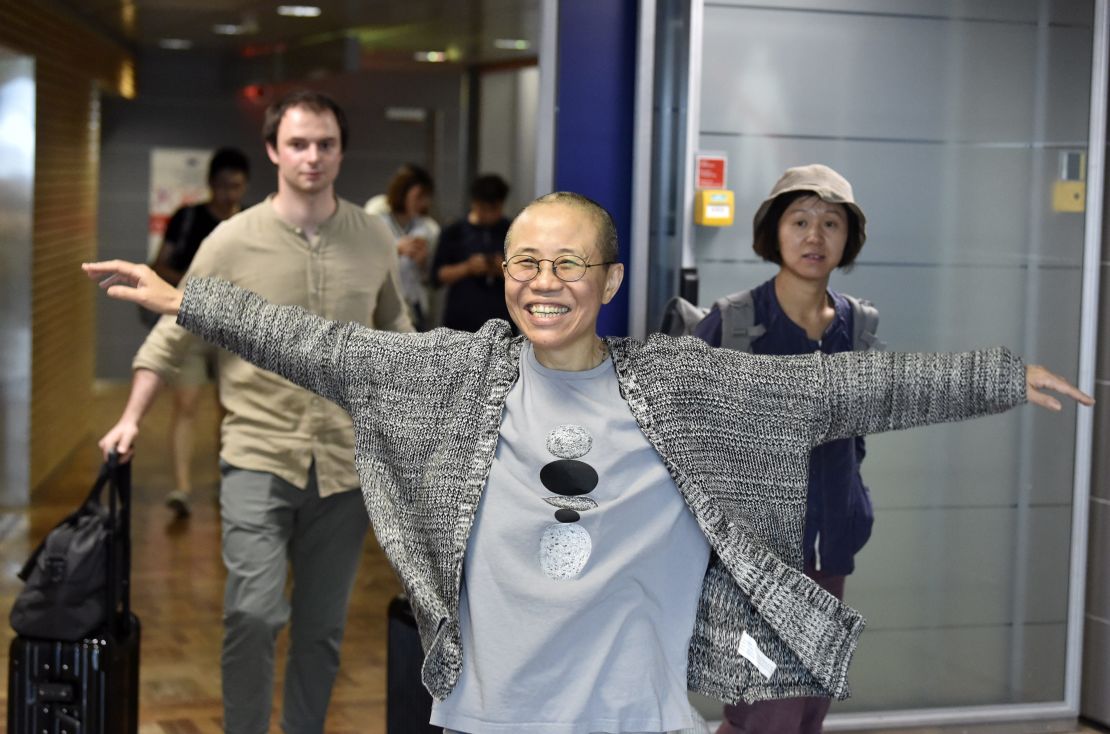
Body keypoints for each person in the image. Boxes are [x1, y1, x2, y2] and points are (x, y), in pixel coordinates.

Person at [84, 192, 1092, 734]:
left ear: (609, 279)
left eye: (570, 262)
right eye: (525, 260)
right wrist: (187, 299)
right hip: (483, 714)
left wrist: (999, 374)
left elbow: (843, 390)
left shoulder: (685, 383)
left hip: (637, 718)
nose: (543, 280)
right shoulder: (456, 375)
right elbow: (326, 347)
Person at [95, 90, 413, 734]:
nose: (313, 156)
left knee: (322, 629)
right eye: (298, 143)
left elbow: (395, 330)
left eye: (325, 143)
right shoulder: (231, 241)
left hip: (348, 468)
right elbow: (172, 332)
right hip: (257, 454)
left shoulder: (373, 236)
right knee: (254, 613)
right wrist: (130, 417)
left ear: (341, 150)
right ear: (273, 150)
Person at [694, 164, 876, 734]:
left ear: (849, 239)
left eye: (831, 223)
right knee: (773, 708)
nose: (814, 237)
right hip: (755, 561)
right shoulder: (735, 323)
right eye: (799, 221)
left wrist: (851, 506)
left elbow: (858, 439)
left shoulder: (859, 326)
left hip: (828, 552)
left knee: (801, 713)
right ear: (774, 232)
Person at [148, 146, 251, 518]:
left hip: (234, 329)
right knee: (186, 405)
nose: (229, 194)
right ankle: (181, 488)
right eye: (223, 186)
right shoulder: (187, 218)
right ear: (210, 184)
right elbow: (160, 266)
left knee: (231, 408)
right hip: (190, 324)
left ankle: (229, 480)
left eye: (236, 186)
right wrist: (198, 288)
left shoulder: (251, 225)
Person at [431, 174, 513, 332]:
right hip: (460, 321)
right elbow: (437, 276)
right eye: (484, 209)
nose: (489, 215)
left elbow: (526, 274)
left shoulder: (512, 230)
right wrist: (467, 268)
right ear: (473, 203)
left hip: (502, 320)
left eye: (494, 209)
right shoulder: (454, 231)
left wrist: (502, 268)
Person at [366, 163, 440, 330]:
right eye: (418, 196)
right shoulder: (376, 214)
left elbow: (431, 277)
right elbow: (363, 258)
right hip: (380, 302)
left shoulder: (429, 228)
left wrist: (423, 262)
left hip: (413, 303)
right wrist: (397, 250)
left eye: (426, 198)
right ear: (403, 192)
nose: (422, 203)